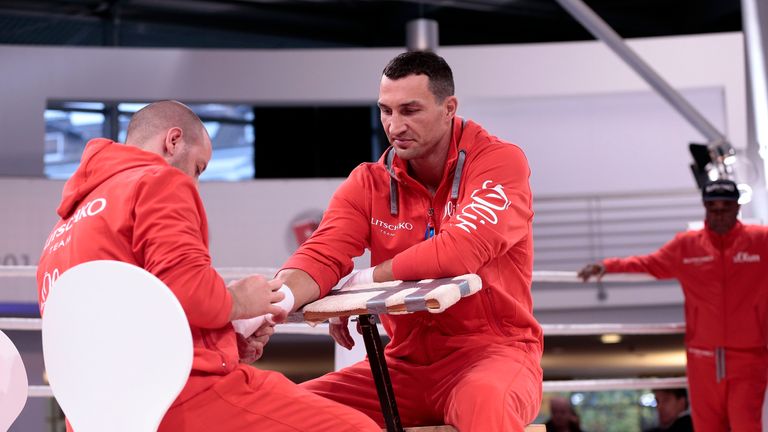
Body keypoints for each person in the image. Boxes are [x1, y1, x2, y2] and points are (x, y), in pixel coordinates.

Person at [36, 100, 380, 432]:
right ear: (173, 141)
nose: (195, 184)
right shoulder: (157, 181)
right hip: (180, 397)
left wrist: (226, 340)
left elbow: (135, 321)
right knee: (356, 427)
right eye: (198, 168)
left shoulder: (64, 226)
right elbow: (192, 294)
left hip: (97, 416)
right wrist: (243, 301)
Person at [276, 51, 543, 431]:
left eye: (410, 110)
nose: (394, 125)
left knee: (486, 405)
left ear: (448, 107)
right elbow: (321, 254)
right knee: (282, 411)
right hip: (403, 368)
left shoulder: (499, 162)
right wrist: (272, 305)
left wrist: (361, 283)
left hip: (494, 357)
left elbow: (459, 251)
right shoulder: (367, 182)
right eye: (386, 111)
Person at [578, 179, 768, 432]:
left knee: (746, 425)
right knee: (708, 427)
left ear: (737, 208)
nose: (720, 214)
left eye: (726, 207)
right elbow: (647, 263)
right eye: (713, 208)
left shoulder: (760, 242)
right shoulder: (686, 246)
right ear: (705, 208)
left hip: (749, 355)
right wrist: (608, 266)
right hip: (702, 357)